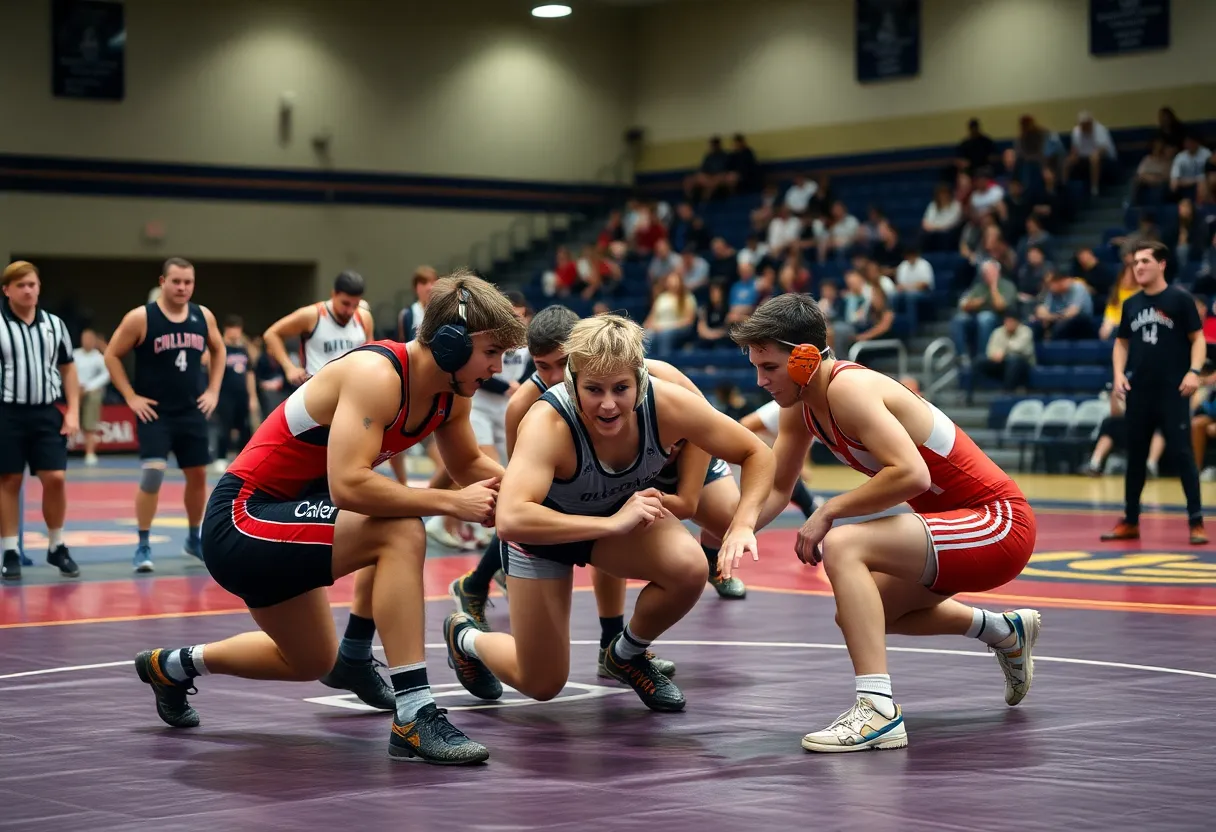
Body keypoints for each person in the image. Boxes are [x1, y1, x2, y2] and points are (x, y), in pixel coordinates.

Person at [132, 272, 527, 765]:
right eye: (491, 353)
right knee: (400, 529)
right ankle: (415, 713)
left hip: (288, 526)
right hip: (242, 518)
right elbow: (350, 486)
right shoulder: (378, 375)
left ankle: (170, 666)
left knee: (310, 659)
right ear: (449, 344)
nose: (496, 368)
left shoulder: (453, 393)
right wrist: (448, 502)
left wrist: (543, 494)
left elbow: (468, 465)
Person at [729, 293, 1040, 753]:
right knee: (862, 614)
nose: (760, 380)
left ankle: (877, 711)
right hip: (954, 526)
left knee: (845, 545)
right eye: (756, 366)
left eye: (769, 367)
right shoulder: (802, 408)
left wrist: (829, 509)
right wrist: (735, 528)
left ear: (804, 359)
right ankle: (1003, 632)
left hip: (997, 522)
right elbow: (777, 489)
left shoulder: (848, 389)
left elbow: (914, 473)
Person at [443, 314, 774, 714]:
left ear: (639, 381)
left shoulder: (666, 399)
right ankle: (465, 636)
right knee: (543, 683)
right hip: (544, 537)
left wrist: (740, 525)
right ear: (572, 384)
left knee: (689, 568)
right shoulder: (545, 421)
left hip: (610, 520)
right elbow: (512, 519)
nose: (608, 404)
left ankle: (626, 653)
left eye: (620, 389)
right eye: (593, 390)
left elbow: (756, 452)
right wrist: (611, 523)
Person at [104, 258, 226, 572]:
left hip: (191, 409)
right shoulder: (141, 318)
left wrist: (213, 390)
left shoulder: (203, 315)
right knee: (153, 473)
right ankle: (143, 542)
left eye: (188, 282)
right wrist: (130, 396)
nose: (182, 287)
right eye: (176, 281)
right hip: (155, 412)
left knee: (198, 475)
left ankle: (192, 536)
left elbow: (219, 349)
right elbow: (112, 355)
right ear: (162, 281)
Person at [1102, 242, 1207, 545]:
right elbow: (1121, 342)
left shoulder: (1179, 299)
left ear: (1162, 264)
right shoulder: (1131, 303)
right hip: (1140, 391)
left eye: (1145, 261)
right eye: (1135, 262)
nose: (1138, 267)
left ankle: (1196, 521)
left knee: (1183, 454)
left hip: (1173, 390)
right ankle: (1131, 520)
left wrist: (1194, 371)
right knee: (1135, 457)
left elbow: (1197, 339)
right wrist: (1119, 374)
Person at [0, 261, 81, 581]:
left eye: (33, 284)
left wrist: (73, 409)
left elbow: (68, 368)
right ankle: (9, 549)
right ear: (7, 290)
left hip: (46, 411)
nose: (29, 290)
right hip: (7, 411)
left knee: (56, 478)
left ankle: (56, 545)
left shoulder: (54, 324)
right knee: (9, 481)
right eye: (21, 285)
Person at [262, 270, 375, 387]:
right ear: (334, 294)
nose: (350, 311)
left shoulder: (364, 317)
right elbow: (271, 334)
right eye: (345, 304)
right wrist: (289, 368)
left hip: (353, 389)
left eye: (355, 305)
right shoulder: (312, 315)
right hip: (317, 390)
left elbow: (370, 354)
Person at [212, 316, 260, 471]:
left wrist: (252, 397)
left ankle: (243, 458)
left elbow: (251, 372)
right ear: (226, 329)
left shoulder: (243, 349)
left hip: (242, 394)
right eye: (232, 328)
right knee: (224, 426)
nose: (235, 332)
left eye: (238, 329)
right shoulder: (220, 348)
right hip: (225, 394)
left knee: (244, 427)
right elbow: (209, 368)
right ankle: (221, 457)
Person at [73, 328, 110, 466]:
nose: (86, 341)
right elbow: (66, 371)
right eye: (84, 338)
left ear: (94, 341)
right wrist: (76, 386)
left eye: (89, 338)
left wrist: (88, 387)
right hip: (74, 390)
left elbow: (107, 375)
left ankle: (90, 453)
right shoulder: (74, 355)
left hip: (92, 391)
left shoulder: (99, 357)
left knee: (90, 423)